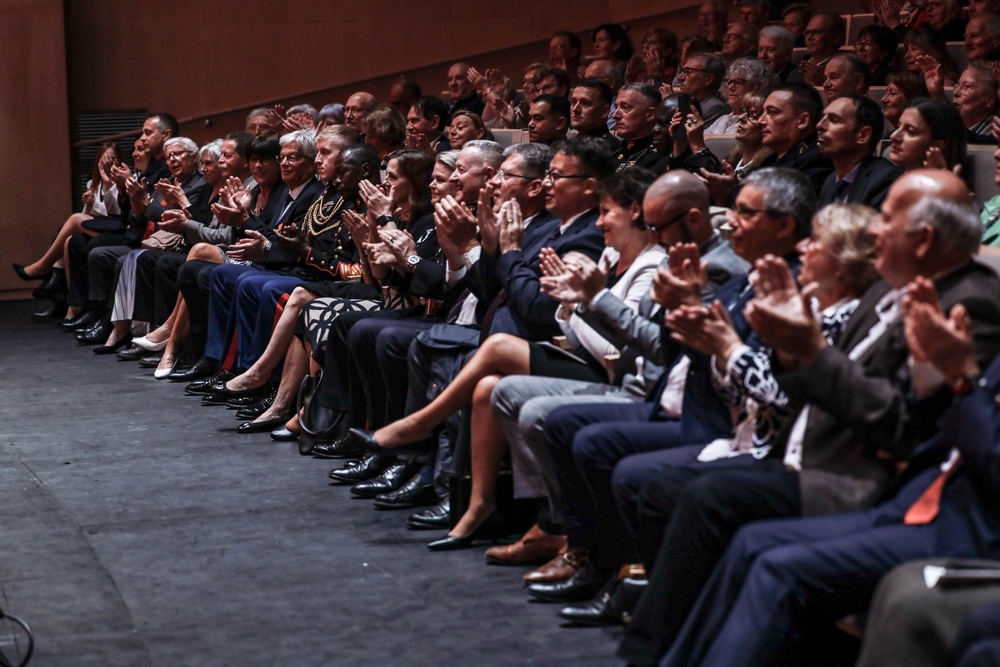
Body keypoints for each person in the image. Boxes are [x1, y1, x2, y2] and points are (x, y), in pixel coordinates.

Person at [620, 169, 1000, 667]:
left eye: (886, 219)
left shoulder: (967, 303)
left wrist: (808, 351)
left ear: (924, 239)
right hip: (860, 468)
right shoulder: (896, 291)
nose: (874, 231)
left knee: (751, 539)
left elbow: (907, 426)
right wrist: (793, 351)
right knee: (745, 535)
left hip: (884, 481)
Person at [356, 168, 667, 550]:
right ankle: (479, 506)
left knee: (497, 347)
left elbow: (609, 350)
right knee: (487, 387)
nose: (600, 220)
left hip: (608, 373)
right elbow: (565, 323)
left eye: (606, 212)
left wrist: (580, 303)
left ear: (635, 211)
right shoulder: (607, 259)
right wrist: (486, 247)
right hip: (570, 352)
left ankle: (419, 429)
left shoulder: (647, 266)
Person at [486, 170, 748, 570]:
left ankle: (592, 550)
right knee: (513, 397)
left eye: (657, 226)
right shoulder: (680, 257)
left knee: (552, 418)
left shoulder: (712, 269)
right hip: (647, 383)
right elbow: (639, 340)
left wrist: (594, 298)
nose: (653, 235)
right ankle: (567, 532)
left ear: (693, 219)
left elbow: (658, 347)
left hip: (675, 399)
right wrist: (585, 302)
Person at [14, 141, 127, 321]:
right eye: (104, 159)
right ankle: (69, 305)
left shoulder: (124, 180)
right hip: (100, 229)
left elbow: (116, 213)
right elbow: (87, 219)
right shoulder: (93, 183)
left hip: (118, 230)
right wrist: (89, 205)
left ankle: (44, 268)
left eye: (112, 159)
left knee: (74, 221)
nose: (107, 163)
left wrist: (98, 199)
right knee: (68, 238)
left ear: (120, 161)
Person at [816, 95, 902, 208]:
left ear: (863, 135)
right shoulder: (831, 180)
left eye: (834, 120)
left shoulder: (885, 180)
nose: (819, 126)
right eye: (823, 118)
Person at [888, 99, 968, 173]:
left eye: (910, 131)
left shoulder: (953, 187)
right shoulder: (888, 180)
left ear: (938, 145)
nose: (893, 136)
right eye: (898, 127)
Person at [704, 58, 774, 134]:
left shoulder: (756, 123)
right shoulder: (722, 120)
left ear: (757, 86)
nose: (731, 87)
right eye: (729, 81)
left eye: (739, 82)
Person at [611, 83, 661, 170]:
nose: (615, 115)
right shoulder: (614, 155)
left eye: (625, 107)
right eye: (616, 107)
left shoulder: (657, 157)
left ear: (650, 114)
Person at [675, 52, 729, 125]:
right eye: (682, 71)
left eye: (688, 71)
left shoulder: (714, 108)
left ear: (708, 79)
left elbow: (686, 135)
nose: (680, 77)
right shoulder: (689, 103)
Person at [568, 80, 620, 150]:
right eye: (573, 102)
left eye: (585, 103)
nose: (575, 109)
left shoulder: (608, 148)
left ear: (604, 111)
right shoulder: (570, 142)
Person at [798, 12, 846, 87]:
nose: (809, 38)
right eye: (807, 33)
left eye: (816, 33)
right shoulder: (800, 64)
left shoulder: (845, 67)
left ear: (836, 37)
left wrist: (823, 83)